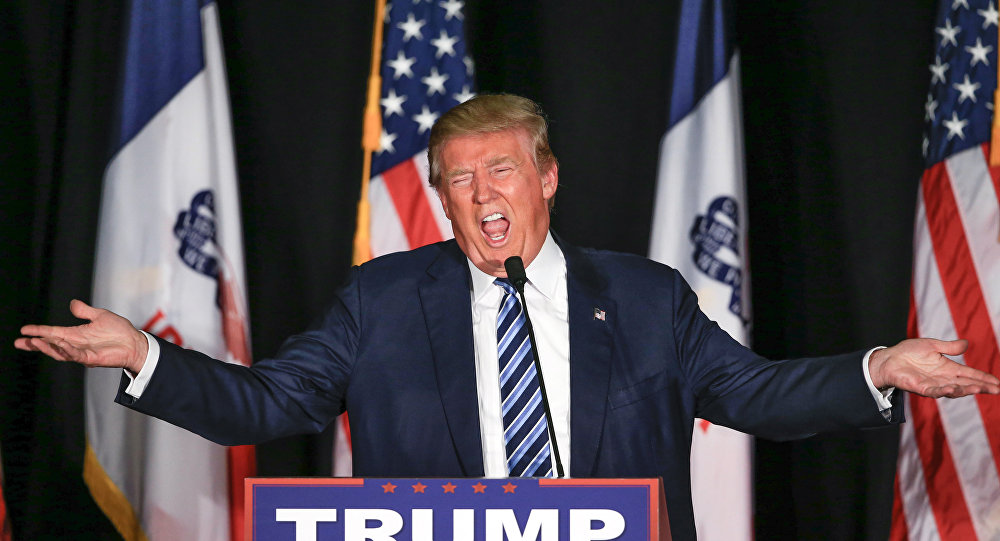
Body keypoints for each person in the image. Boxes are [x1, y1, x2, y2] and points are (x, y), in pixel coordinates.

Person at [16, 94, 1000, 540]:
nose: (478, 193)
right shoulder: (385, 298)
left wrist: (878, 367)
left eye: (498, 170)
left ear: (546, 178)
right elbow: (273, 401)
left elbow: (756, 391)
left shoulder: (647, 297)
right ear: (440, 201)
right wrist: (146, 354)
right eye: (456, 180)